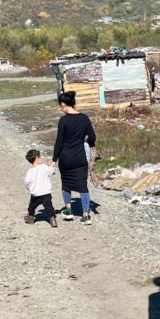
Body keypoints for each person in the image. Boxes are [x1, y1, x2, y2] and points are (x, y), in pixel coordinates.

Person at [51, 91, 97, 225]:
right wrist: (88, 142)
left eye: (61, 106)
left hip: (65, 158)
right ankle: (86, 215)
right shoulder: (84, 118)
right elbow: (92, 137)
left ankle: (69, 211)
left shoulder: (63, 121)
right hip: (80, 158)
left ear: (64, 105)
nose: (61, 109)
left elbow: (59, 142)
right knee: (83, 185)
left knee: (66, 184)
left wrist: (54, 159)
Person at [24, 149, 57, 228]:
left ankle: (30, 218)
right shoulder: (44, 167)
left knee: (31, 207)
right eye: (40, 157)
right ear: (37, 159)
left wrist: (30, 188)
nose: (41, 158)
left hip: (35, 194)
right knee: (49, 207)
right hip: (46, 193)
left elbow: (27, 182)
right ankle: (53, 220)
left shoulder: (30, 171)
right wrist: (50, 166)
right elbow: (52, 171)